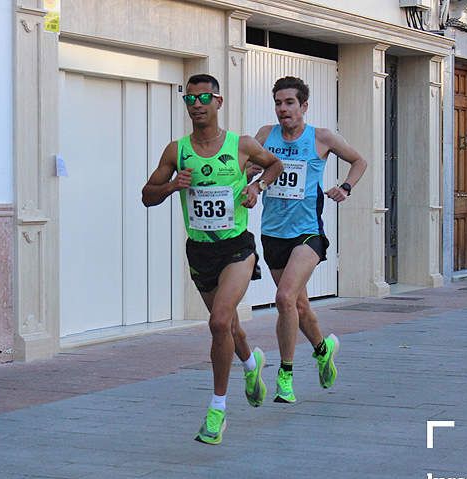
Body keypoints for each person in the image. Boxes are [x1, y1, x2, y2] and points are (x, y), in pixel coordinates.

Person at [142, 74, 282, 445]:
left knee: (219, 321)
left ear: (218, 102)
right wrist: (173, 185)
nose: (197, 105)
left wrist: (256, 187)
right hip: (200, 249)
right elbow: (147, 195)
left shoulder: (241, 145)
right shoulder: (177, 151)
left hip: (237, 247)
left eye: (204, 98)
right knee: (229, 328)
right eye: (190, 99)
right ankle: (252, 364)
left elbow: (274, 165)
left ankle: (217, 409)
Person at [249, 76, 367, 404]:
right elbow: (248, 168)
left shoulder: (322, 137)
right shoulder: (264, 135)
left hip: (307, 232)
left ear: (304, 106)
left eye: (289, 103)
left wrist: (345, 187)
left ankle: (285, 376)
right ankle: (323, 349)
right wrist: (249, 180)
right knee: (299, 305)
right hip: (273, 232)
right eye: (278, 103)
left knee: (285, 298)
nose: (283, 109)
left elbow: (360, 160)